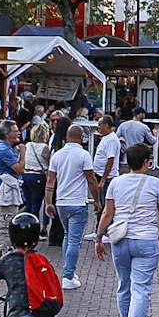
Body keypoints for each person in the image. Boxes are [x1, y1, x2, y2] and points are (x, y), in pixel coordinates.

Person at [97, 143, 159, 317]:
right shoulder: (155, 184)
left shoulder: (116, 183)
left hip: (120, 239)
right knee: (141, 289)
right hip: (146, 239)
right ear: (146, 162)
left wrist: (99, 237)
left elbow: (107, 214)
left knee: (124, 285)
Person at [48, 123, 94, 289]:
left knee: (68, 236)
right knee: (75, 240)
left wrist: (48, 202)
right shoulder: (84, 155)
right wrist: (97, 200)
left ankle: (68, 271)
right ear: (81, 138)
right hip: (78, 202)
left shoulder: (57, 155)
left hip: (61, 202)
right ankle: (68, 275)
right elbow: (91, 179)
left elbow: (50, 181)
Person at [0, 124, 26, 256]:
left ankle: (6, 251)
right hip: (4, 191)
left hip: (7, 189)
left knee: (8, 222)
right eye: (15, 131)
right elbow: (20, 169)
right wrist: (23, 152)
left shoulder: (6, 148)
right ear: (7, 134)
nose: (18, 133)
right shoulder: (3, 149)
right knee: (5, 225)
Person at [21, 122, 52, 220]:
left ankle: (26, 223)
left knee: (29, 203)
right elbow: (49, 161)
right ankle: (35, 224)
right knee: (36, 204)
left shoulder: (28, 145)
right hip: (38, 176)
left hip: (26, 175)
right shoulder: (44, 147)